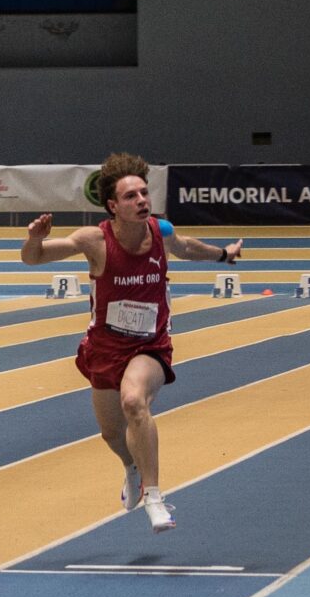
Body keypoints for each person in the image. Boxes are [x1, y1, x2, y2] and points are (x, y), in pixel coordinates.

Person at [21, 152, 242, 533]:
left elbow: (188, 247)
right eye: (130, 196)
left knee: (133, 402)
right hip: (104, 349)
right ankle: (131, 467)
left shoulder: (161, 232)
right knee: (111, 432)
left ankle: (155, 498)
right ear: (112, 206)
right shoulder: (94, 240)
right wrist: (33, 240)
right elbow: (33, 259)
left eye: (144, 193)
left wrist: (225, 254)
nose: (141, 200)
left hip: (150, 345)